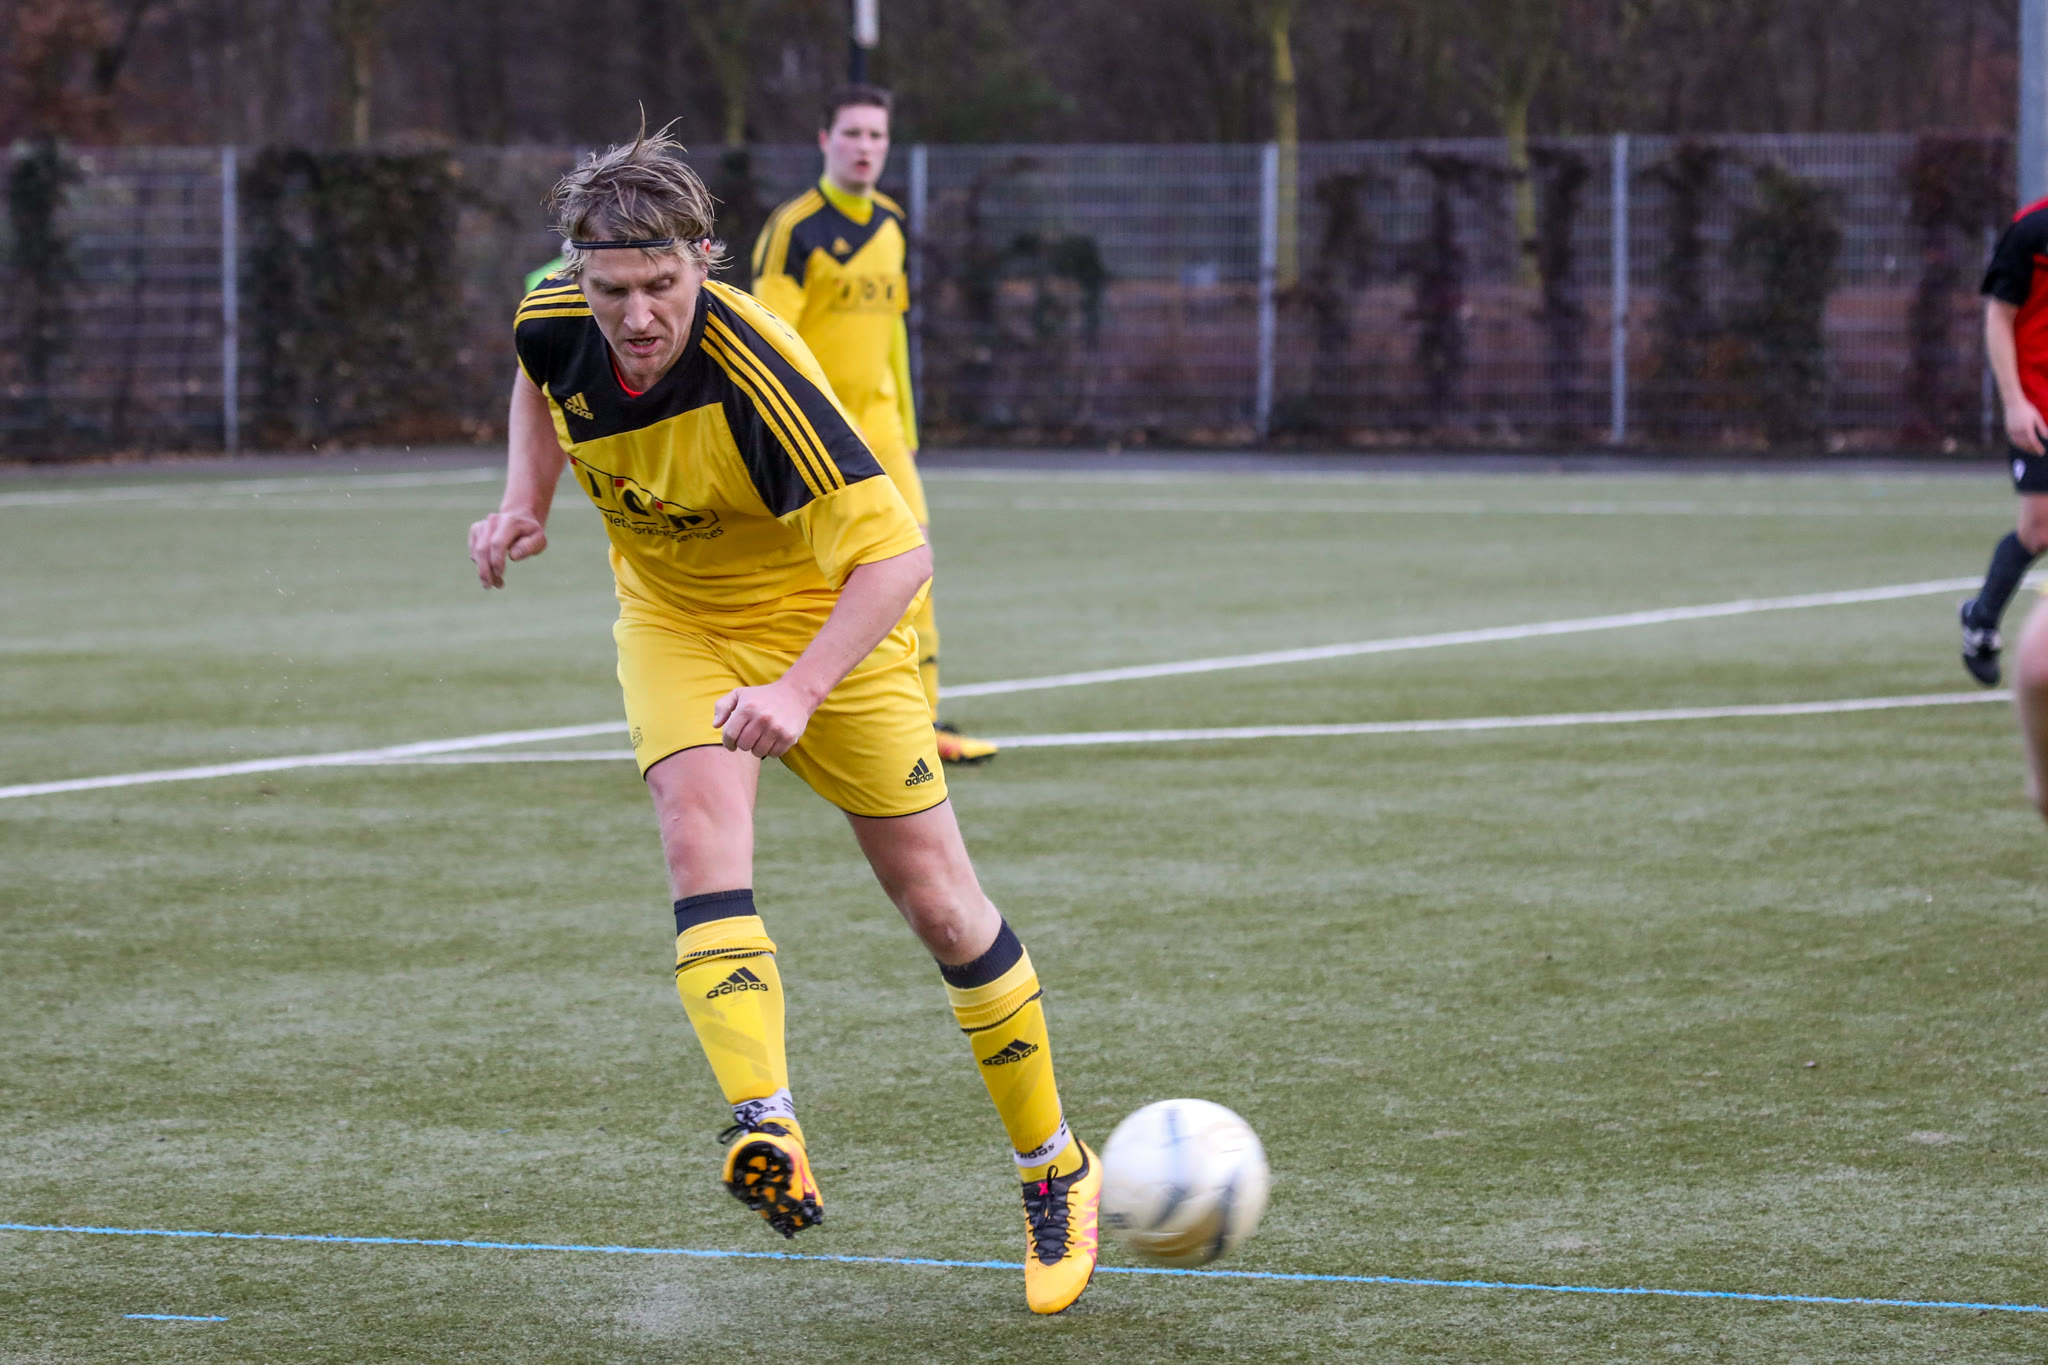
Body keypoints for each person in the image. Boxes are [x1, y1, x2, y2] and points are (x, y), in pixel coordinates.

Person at [467, 126, 1099, 1315]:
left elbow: (899, 559)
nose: (637, 316)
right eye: (612, 290)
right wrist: (521, 500)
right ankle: (766, 1125)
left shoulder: (758, 371)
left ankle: (1052, 1166)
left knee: (939, 904)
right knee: (695, 840)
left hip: (829, 626)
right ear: (578, 274)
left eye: (661, 285)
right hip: (674, 621)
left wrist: (799, 689)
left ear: (704, 260)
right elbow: (537, 380)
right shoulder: (553, 313)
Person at [750, 85, 998, 765]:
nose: (865, 147)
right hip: (814, 437)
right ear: (824, 140)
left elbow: (892, 336)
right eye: (853, 133)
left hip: (884, 434)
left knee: (914, 570)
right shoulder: (794, 228)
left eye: (877, 136)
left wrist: (907, 427)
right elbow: (767, 340)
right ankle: (764, 708)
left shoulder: (891, 224)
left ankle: (923, 725)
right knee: (799, 583)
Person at [1960, 196, 2048, 685]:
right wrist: (2014, 402)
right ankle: (1981, 619)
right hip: (2038, 402)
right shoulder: (2032, 230)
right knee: (2039, 530)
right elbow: (1999, 316)